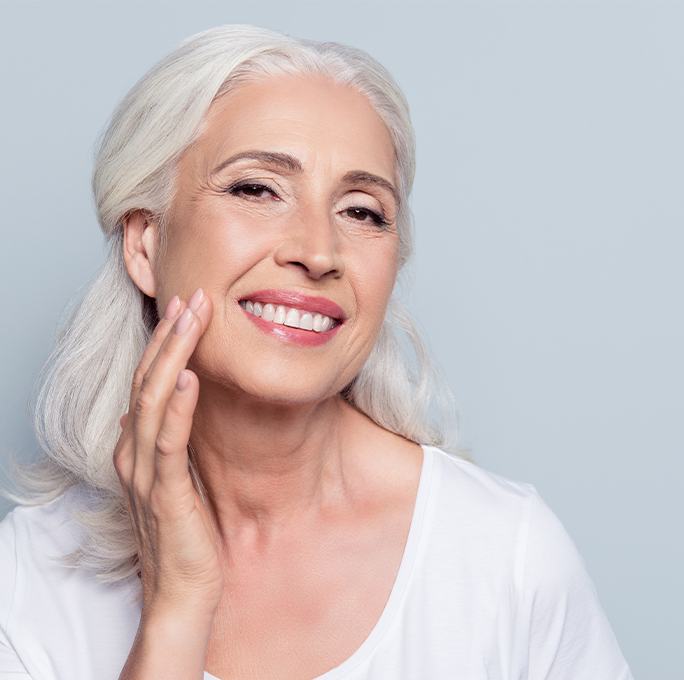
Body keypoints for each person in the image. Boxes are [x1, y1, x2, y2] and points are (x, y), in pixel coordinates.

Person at [0, 24, 634, 680]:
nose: (318, 251)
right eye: (257, 190)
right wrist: (176, 607)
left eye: (362, 211)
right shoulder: (28, 579)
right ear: (145, 244)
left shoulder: (506, 559)